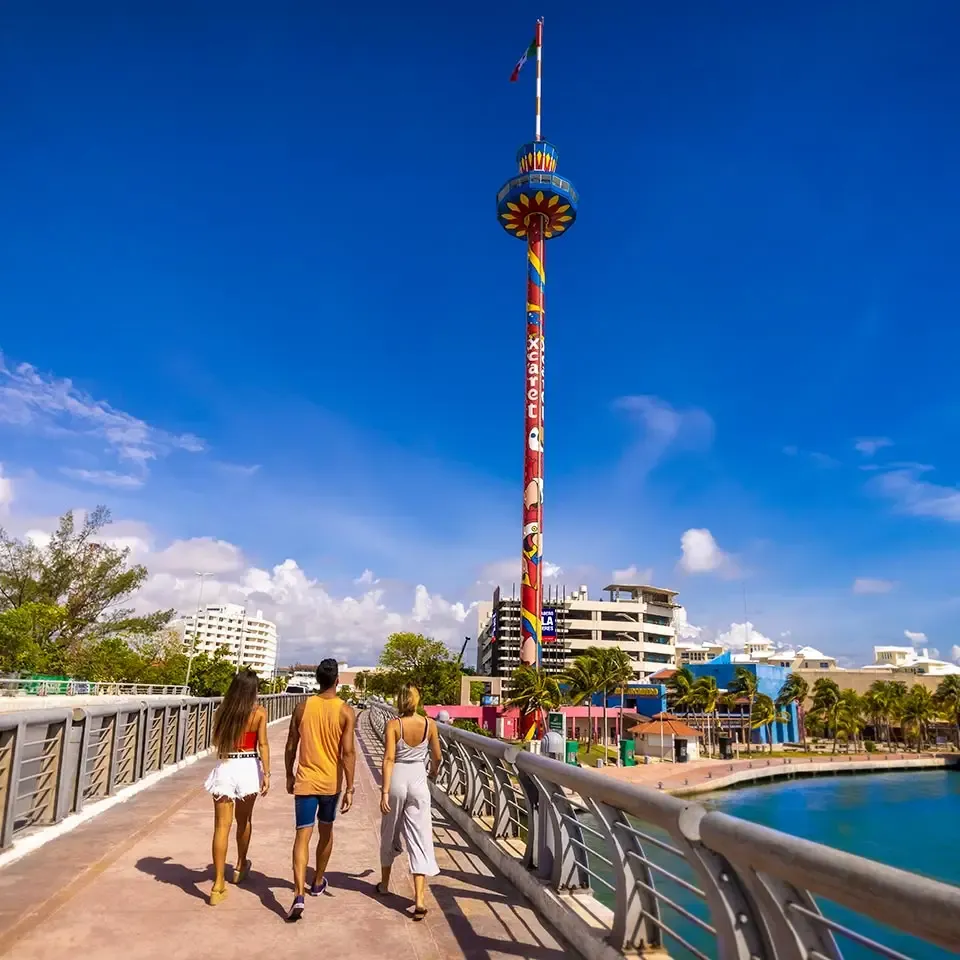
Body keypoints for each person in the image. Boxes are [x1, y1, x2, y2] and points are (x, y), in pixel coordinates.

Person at [284, 658, 356, 922]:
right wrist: (350, 787)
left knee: (302, 836)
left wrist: (289, 774)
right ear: (337, 680)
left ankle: (298, 894)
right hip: (330, 784)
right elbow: (348, 753)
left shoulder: (302, 707)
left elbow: (291, 745)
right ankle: (316, 882)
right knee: (326, 832)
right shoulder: (345, 711)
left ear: (317, 680)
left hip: (305, 781)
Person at [204, 668, 270, 905]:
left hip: (226, 765)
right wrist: (267, 774)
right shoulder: (259, 712)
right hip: (248, 767)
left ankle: (217, 884)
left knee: (221, 827)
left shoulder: (223, 711)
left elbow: (216, 740)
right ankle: (240, 866)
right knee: (244, 821)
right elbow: (263, 744)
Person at [378, 684, 442, 920]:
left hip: (397, 778)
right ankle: (420, 899)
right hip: (418, 779)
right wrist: (433, 772)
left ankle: (384, 884)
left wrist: (385, 792)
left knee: (389, 831)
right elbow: (437, 756)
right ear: (416, 700)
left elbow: (388, 758)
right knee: (420, 836)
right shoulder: (429, 724)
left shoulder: (394, 725)